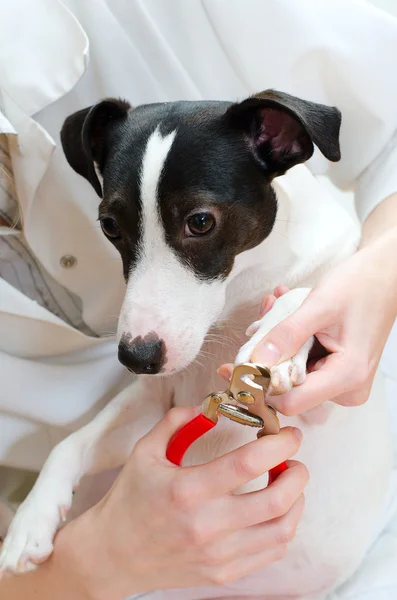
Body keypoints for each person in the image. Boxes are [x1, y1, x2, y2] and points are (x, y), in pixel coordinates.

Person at [0, 0, 397, 598]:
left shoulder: (322, 252)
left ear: (282, 140)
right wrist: (95, 555)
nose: (139, 326)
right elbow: (157, 396)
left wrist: (381, 272)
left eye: (200, 224)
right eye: (118, 229)